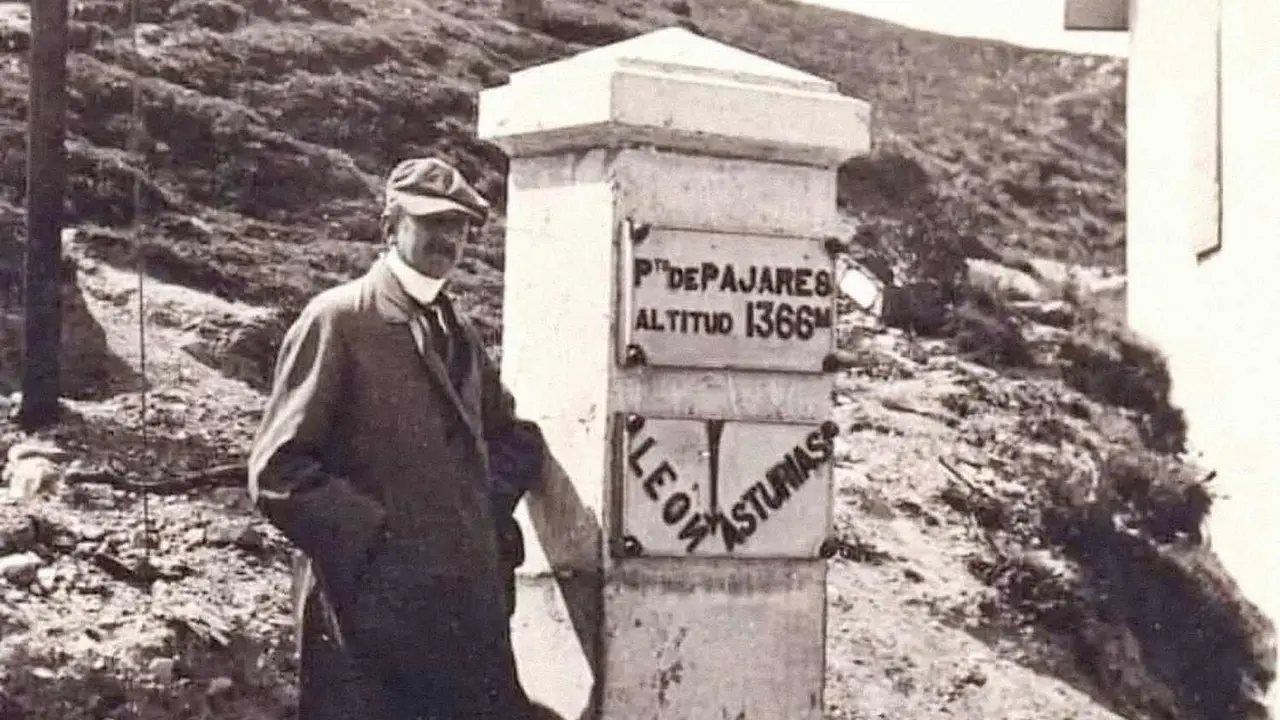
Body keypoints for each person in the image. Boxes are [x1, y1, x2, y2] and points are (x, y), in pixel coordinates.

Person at [248, 156, 547, 720]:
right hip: (371, 620)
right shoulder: (339, 321)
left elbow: (513, 436)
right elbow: (278, 472)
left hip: (465, 612)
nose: (448, 239)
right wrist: (380, 539)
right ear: (389, 227)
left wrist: (475, 514)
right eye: (431, 222)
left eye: (458, 227)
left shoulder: (456, 329)